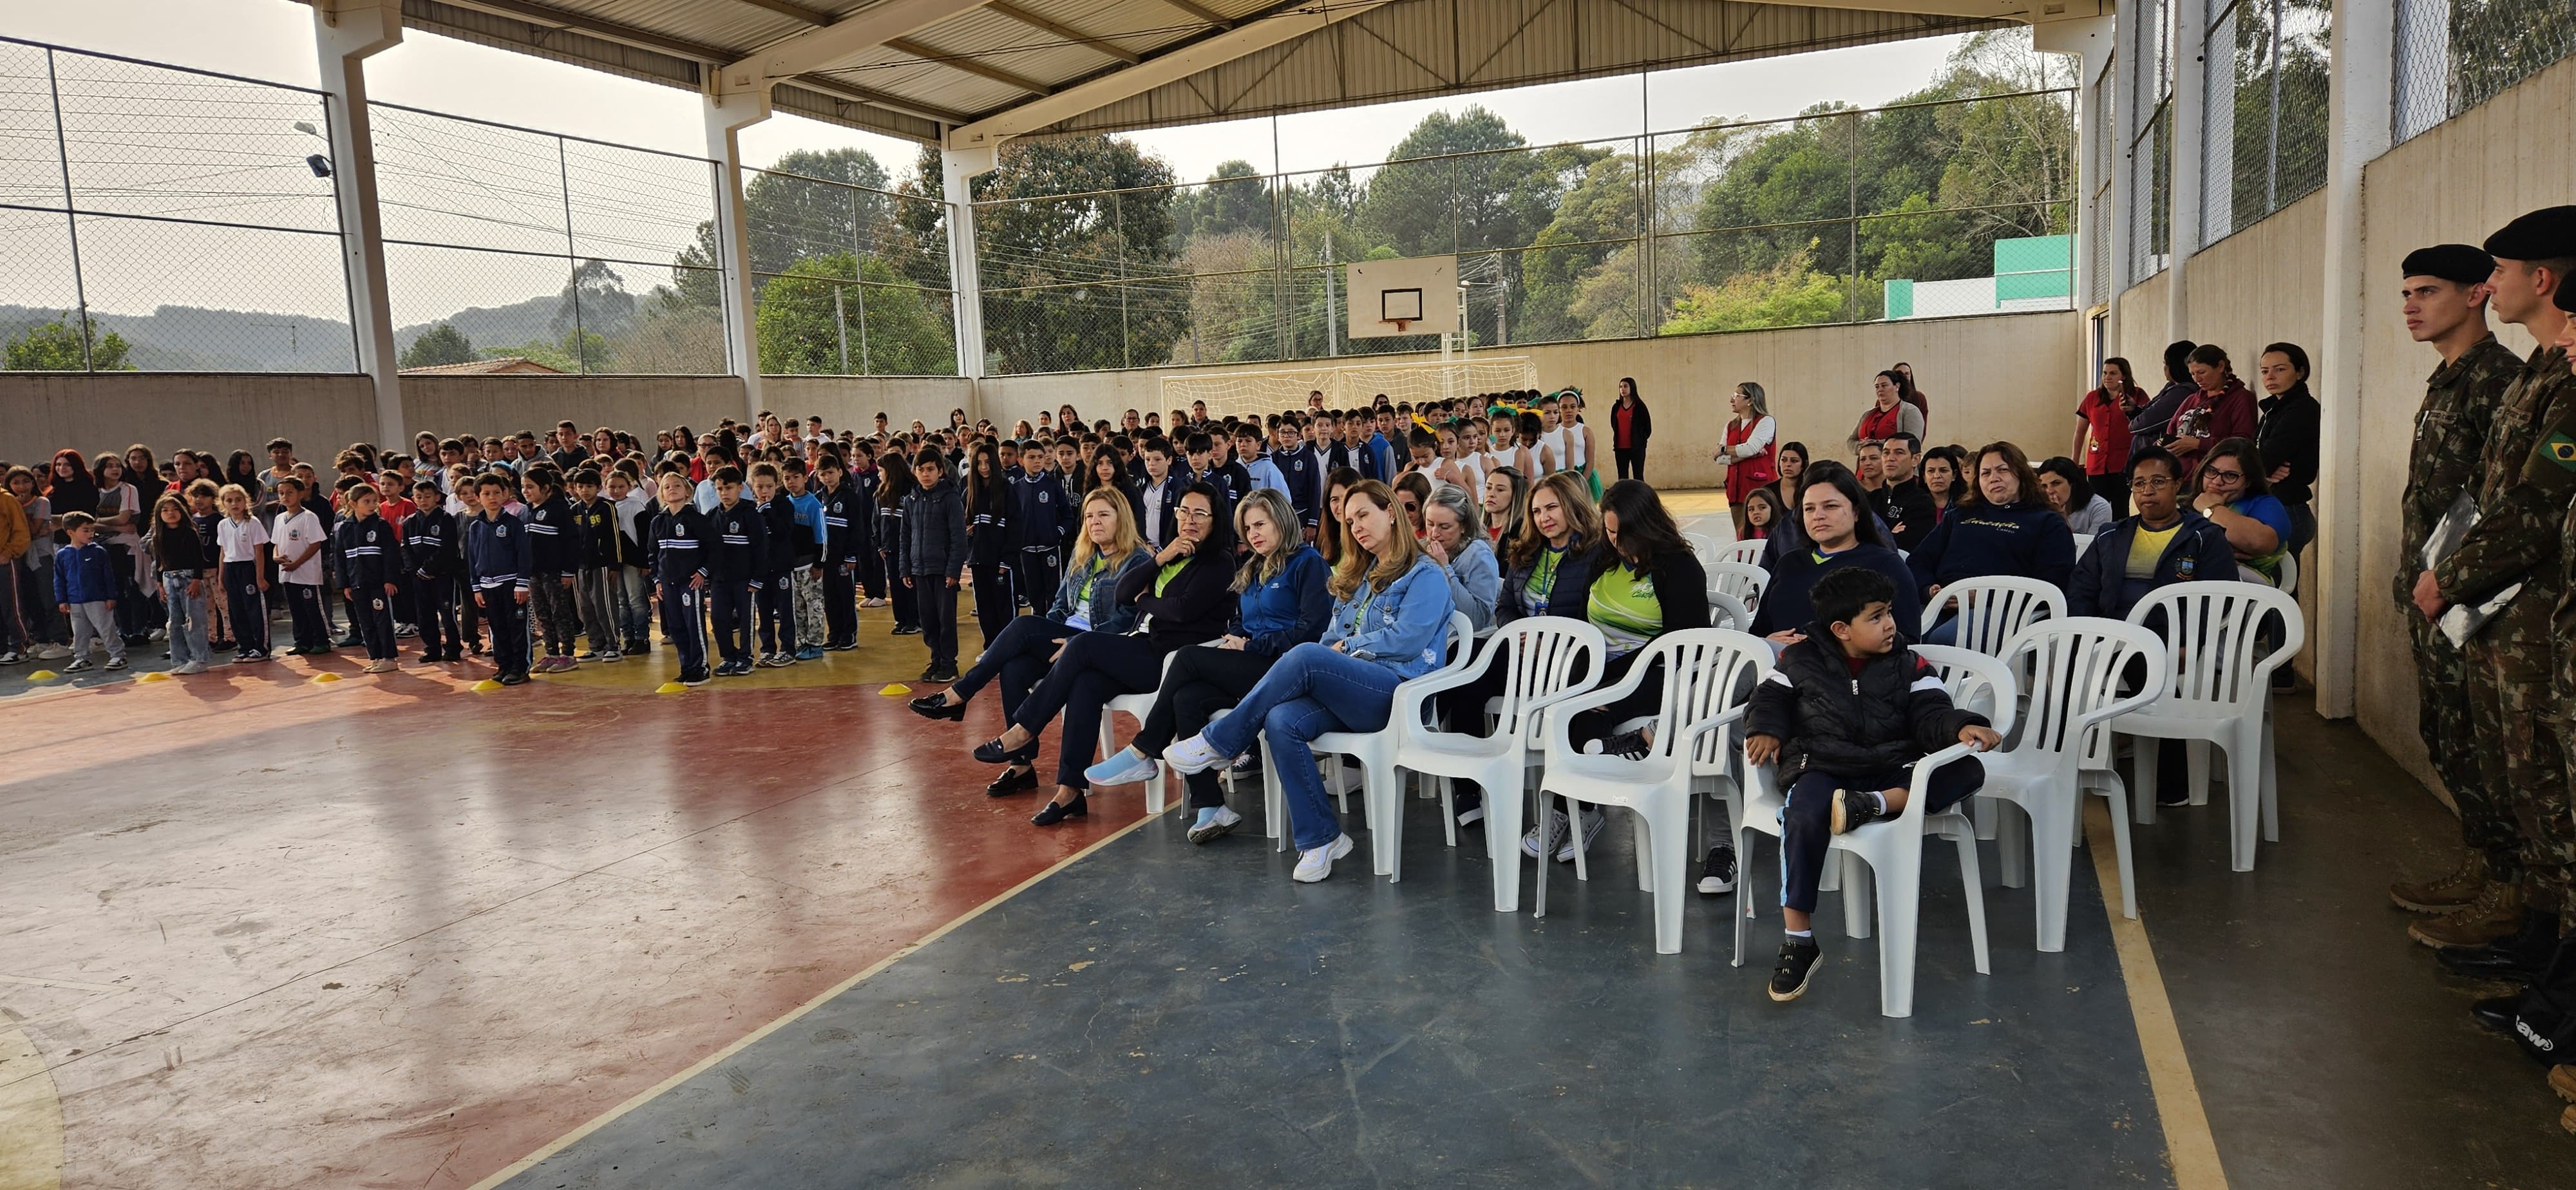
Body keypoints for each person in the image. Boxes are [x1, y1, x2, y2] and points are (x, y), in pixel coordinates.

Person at [2410, 207, 2576, 975]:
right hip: (2479, 603)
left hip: (2525, 615)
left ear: (2538, 280)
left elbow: (2530, 511)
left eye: (2498, 273)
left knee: (2540, 785)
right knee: (2499, 765)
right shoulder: (2540, 374)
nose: (2494, 281)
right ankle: (2517, 908)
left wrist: (2452, 579)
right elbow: (2481, 494)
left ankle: (2539, 945)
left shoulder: (2535, 378)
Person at [1162, 480, 1457, 882]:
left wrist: (1345, 648)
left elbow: (1408, 639)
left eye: (1364, 515)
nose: (1356, 527)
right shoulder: (1360, 574)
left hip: (1400, 695)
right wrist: (1338, 649)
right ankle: (1321, 839)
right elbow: (1330, 636)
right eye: (1350, 521)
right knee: (1281, 719)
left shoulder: (1426, 573)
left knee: (1304, 655)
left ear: (1391, 511)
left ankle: (1221, 741)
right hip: (1352, 694)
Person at [1742, 565, 1998, 1003]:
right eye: (1876, 617)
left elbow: (1931, 712)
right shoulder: (1797, 659)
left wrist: (1963, 726)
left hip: (1890, 764)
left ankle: (1875, 803)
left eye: (1890, 613)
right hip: (1822, 765)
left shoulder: (1909, 662)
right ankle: (1798, 939)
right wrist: (1766, 728)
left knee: (1968, 770)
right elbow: (1769, 697)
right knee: (1801, 816)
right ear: (1841, 628)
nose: (1890, 624)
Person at [2385, 243, 2525, 927]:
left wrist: (2450, 584)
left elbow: (2501, 505)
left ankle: (2509, 889)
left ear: (2475, 295)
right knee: (2447, 735)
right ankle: (2484, 861)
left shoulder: (2496, 378)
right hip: (2435, 594)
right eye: (2407, 293)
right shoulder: (2449, 379)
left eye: (2427, 291)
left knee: (2481, 743)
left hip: (2475, 601)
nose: (2411, 305)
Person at [974, 484, 1236, 826]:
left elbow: (1182, 612)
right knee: (1086, 684)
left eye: (1200, 513)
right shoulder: (1171, 555)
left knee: (1082, 644)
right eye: (1184, 511)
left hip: (1170, 661)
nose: (1190, 520)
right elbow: (1125, 592)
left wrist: (1146, 601)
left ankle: (1025, 728)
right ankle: (1069, 791)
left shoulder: (1219, 562)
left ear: (1216, 521)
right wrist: (1161, 558)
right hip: (1142, 647)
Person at [1083, 489, 1331, 840]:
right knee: (1187, 698)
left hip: (1288, 670)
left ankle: (1143, 749)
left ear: (1282, 521)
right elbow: (1239, 619)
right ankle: (1212, 807)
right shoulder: (1255, 566)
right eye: (1248, 529)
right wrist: (1235, 638)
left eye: (1261, 524)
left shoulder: (1307, 563)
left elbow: (1312, 629)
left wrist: (1252, 644)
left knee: (1187, 656)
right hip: (1252, 663)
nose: (1254, 534)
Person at [915, 489, 1155, 797]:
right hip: (1062, 636)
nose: (1095, 522)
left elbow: (1126, 620)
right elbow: (1059, 604)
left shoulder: (1136, 559)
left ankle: (961, 694)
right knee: (1015, 665)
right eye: (1090, 516)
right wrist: (1053, 630)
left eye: (1104, 515)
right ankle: (1021, 767)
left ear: (1121, 518)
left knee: (1023, 627)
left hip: (1096, 644)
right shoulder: (1083, 554)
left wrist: (1077, 641)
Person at [1522, 480, 1711, 864]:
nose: (1616, 541)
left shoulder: (1678, 566)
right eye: (1609, 532)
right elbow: (1581, 620)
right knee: (1560, 705)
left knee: (1588, 712)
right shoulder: (1603, 558)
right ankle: (1576, 808)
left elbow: (1684, 643)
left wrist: (1609, 678)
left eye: (1624, 534)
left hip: (1657, 672)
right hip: (1599, 667)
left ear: (1647, 526)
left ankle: (1579, 812)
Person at [1906, 443, 2077, 642]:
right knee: (1902, 637)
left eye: (2003, 470)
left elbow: (2053, 584)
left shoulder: (2047, 521)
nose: (1993, 478)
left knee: (1943, 640)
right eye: (1985, 473)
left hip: (2001, 608)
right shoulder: (1960, 514)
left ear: (2021, 473)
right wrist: (1928, 590)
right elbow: (1919, 561)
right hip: (1943, 600)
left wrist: (1983, 598)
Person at [1751, 463, 1920, 641]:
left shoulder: (1885, 565)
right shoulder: (1789, 563)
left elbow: (1907, 640)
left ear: (1856, 512)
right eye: (1809, 509)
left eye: (1830, 506)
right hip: (1775, 665)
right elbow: (1759, 630)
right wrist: (1768, 642)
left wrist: (1822, 650)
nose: (1818, 515)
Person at [2065, 446, 2237, 619]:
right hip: (2110, 634)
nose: (2148, 491)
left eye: (2158, 481)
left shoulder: (2205, 536)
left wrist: (2186, 641)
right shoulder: (2110, 535)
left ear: (2177, 485)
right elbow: (2081, 590)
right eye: (2139, 484)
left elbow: (2218, 600)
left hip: (2172, 638)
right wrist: (2084, 635)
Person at [1497, 470, 1600, 623]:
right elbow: (1505, 607)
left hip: (1571, 644)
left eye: (1551, 507)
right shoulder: (1524, 551)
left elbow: (1591, 618)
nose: (1544, 518)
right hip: (1522, 642)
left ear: (1572, 506)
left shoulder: (1596, 554)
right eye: (1536, 511)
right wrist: (1521, 634)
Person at [901, 449, 967, 681]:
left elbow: (959, 538)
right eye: (921, 469)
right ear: (915, 472)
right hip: (920, 569)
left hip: (942, 570)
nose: (925, 474)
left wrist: (953, 570)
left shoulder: (950, 498)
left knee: (945, 620)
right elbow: (905, 537)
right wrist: (905, 568)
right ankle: (936, 659)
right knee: (928, 619)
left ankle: (950, 664)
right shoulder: (911, 500)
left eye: (931, 469)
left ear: (940, 471)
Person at [2190, 438, 2293, 585]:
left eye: (2230, 475)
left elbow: (2260, 542)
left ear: (2249, 481)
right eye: (2212, 471)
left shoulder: (2264, 504)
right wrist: (2210, 552)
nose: (2217, 481)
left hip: (2245, 596)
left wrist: (2212, 509)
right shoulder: (2184, 503)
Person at [2253, 342, 2322, 558]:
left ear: (2300, 372)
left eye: (2280, 369)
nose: (2270, 377)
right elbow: (2255, 456)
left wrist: (2260, 469)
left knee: (2279, 589)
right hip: (2273, 504)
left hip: (2288, 508)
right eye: (2265, 371)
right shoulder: (2274, 409)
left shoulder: (2302, 409)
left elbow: (2265, 458)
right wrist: (2263, 474)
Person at [647, 471, 714, 686]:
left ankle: (701, 667)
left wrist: (703, 572)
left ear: (687, 491)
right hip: (668, 583)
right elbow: (653, 553)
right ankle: (686, 667)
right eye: (667, 487)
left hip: (689, 582)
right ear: (662, 494)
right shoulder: (658, 522)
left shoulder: (696, 519)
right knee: (676, 627)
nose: (672, 489)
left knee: (694, 625)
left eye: (677, 485)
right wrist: (657, 579)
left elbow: (713, 549)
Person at [465, 472, 532, 685]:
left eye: (497, 492)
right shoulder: (476, 527)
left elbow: (524, 555)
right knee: (497, 628)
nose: (492, 497)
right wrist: (476, 587)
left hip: (512, 584)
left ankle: (520, 668)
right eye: (486, 493)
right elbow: (472, 558)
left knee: (517, 627)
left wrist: (522, 583)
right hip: (487, 585)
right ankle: (504, 665)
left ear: (505, 494)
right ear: (478, 497)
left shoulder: (513, 524)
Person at [706, 466, 766, 679]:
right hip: (719, 580)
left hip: (744, 579)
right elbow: (707, 549)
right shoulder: (712, 516)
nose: (724, 493)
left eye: (729, 488)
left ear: (740, 488)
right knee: (719, 619)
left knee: (745, 620)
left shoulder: (751, 515)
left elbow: (761, 548)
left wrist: (757, 578)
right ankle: (728, 657)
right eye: (719, 488)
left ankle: (745, 658)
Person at [2164, 344, 2258, 478]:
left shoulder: (2240, 398)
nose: (2197, 379)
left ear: (2220, 367)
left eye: (2202, 372)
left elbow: (2243, 442)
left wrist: (2199, 444)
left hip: (2213, 477)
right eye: (2192, 374)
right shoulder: (2192, 400)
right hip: (2181, 475)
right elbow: (2171, 430)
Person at [146, 493, 213, 674]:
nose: (171, 513)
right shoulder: (158, 536)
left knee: (194, 620)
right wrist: (160, 585)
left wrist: (197, 580)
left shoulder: (189, 532)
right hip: (169, 578)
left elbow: (199, 559)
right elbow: (159, 562)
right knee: (174, 621)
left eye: (175, 509)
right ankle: (179, 659)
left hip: (189, 577)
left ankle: (200, 658)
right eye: (166, 510)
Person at [336, 485, 400, 673]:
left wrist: (390, 579)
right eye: (367, 502)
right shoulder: (345, 528)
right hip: (357, 584)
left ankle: (389, 657)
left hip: (378, 584)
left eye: (374, 501)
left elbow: (391, 554)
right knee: (366, 622)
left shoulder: (380, 525)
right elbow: (339, 558)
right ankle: (376, 657)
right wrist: (345, 584)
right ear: (353, 504)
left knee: (382, 621)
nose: (372, 505)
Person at [1421, 485, 1501, 630]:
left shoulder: (1479, 555)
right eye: (1430, 524)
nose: (1434, 534)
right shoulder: (1423, 548)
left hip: (1462, 641)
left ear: (1464, 526)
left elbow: (1478, 619)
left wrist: (1445, 570)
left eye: (1444, 527)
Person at [51, 511, 122, 672]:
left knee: (106, 628)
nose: (91, 533)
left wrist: (111, 596)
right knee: (80, 632)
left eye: (92, 530)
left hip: (97, 598)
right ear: (71, 533)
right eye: (86, 530)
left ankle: (118, 655)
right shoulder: (62, 555)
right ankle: (82, 658)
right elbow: (59, 579)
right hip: (75, 601)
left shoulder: (98, 552)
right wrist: (62, 600)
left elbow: (108, 576)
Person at [2076, 357, 2145, 517]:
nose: (2107, 377)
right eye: (2105, 373)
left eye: (2113, 373)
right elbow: (2080, 431)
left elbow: (2145, 422)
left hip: (2123, 463)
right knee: (2097, 507)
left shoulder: (2136, 395)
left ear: (2124, 376)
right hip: (2097, 462)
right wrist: (2074, 459)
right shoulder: (2092, 398)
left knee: (2120, 508)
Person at [749, 462, 802, 667]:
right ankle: (768, 649)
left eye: (769, 486)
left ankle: (788, 649)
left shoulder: (784, 505)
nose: (764, 491)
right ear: (752, 486)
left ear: (776, 485)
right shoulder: (750, 509)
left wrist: (768, 512)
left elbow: (784, 533)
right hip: (760, 570)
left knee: (785, 609)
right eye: (760, 486)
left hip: (781, 567)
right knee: (764, 611)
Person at [403, 477, 460, 664]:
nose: (423, 500)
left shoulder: (445, 520)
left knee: (447, 613)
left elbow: (447, 548)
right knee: (424, 614)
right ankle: (432, 648)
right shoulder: (409, 523)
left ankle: (453, 647)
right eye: (419, 497)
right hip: (419, 578)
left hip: (441, 575)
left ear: (437, 497)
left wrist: (429, 568)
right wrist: (415, 571)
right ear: (413, 499)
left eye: (427, 496)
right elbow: (405, 549)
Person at [270, 477, 330, 655]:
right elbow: (276, 543)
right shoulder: (280, 518)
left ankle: (321, 640)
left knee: (311, 607)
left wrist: (297, 563)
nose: (285, 496)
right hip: (287, 573)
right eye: (282, 493)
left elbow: (315, 544)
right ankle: (301, 641)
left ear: (301, 493)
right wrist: (276, 557)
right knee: (296, 609)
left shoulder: (309, 517)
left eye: (290, 492)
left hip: (306, 573)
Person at [1719, 382, 1779, 539]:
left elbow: (1749, 448)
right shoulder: (1730, 426)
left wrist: (1725, 449)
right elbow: (1720, 459)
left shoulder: (1766, 421)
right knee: (1742, 536)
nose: (1732, 400)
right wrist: (1749, 454)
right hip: (1736, 491)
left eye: (1737, 396)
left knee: (1764, 537)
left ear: (1750, 400)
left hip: (1760, 490)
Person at [1871, 433, 1937, 551]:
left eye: (1899, 453)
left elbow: (1905, 546)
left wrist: (1874, 535)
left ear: (1915, 460)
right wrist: (1890, 535)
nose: (1890, 458)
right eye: (1886, 453)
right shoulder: (1869, 499)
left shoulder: (1922, 503)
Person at [2130, 341, 2201, 445]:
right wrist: (2133, 410)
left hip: (2157, 453)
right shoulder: (2172, 386)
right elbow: (2147, 410)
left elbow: (2142, 423)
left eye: (2166, 364)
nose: (2165, 368)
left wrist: (2135, 421)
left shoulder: (2182, 393)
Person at [2038, 456, 2116, 537]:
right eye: (2044, 486)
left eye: (2056, 483)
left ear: (2072, 483)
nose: (2050, 491)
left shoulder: (2099, 507)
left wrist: (2061, 519)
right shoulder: (2040, 507)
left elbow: (2092, 547)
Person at [1850, 370, 1926, 449]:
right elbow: (1851, 440)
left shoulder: (1910, 411)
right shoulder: (1867, 415)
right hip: (1867, 461)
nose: (1880, 389)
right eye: (1877, 387)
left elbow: (1912, 442)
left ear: (1897, 387)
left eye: (1884, 385)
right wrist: (1861, 447)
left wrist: (1875, 444)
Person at [1613, 377, 1654, 482]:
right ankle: (1624, 497)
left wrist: (1640, 440)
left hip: (1637, 448)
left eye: (1626, 386)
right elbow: (1614, 424)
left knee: (1638, 475)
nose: (1623, 389)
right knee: (1622, 477)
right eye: (1621, 387)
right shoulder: (1616, 407)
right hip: (1620, 448)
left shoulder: (1640, 407)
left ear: (1632, 388)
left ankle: (1640, 497)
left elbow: (1648, 428)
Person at [1482, 465, 1529, 547]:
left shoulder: (1523, 533)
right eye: (1488, 488)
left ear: (1516, 495)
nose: (1491, 494)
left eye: (1500, 490)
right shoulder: (1475, 531)